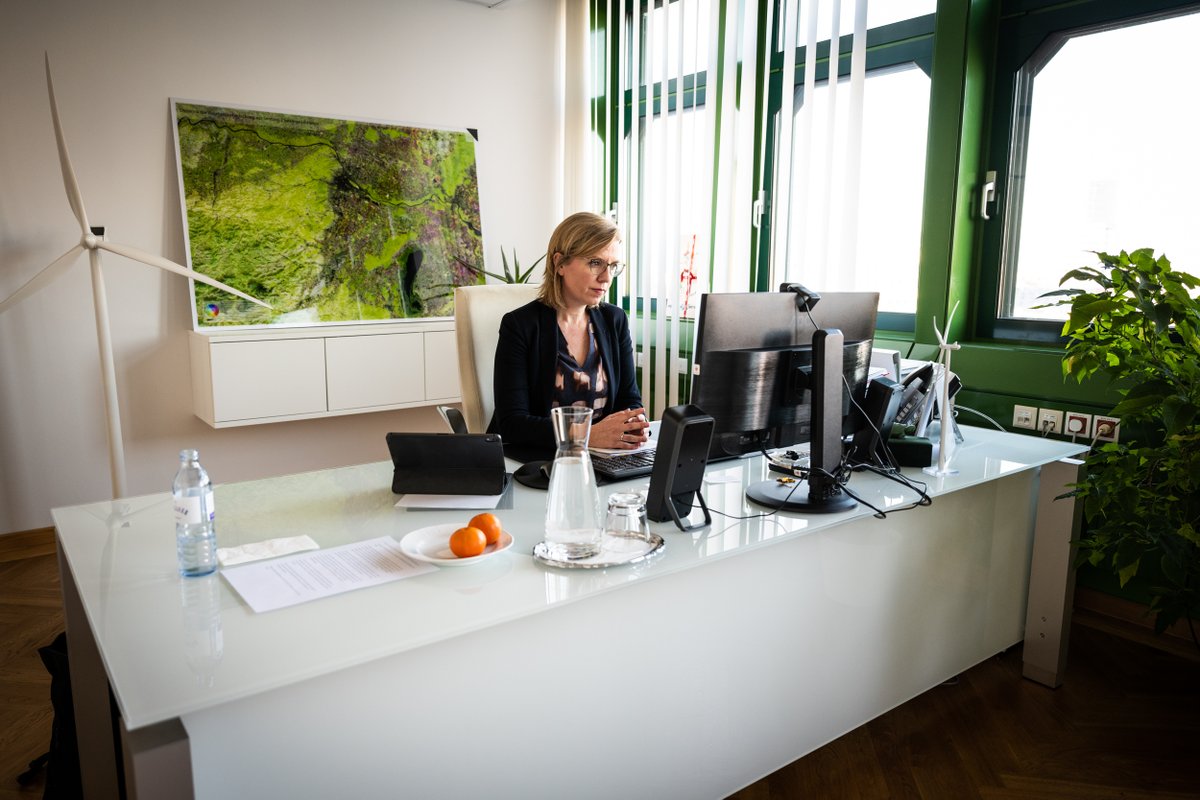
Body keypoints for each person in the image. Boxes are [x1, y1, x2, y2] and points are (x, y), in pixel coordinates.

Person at [489, 212, 651, 451]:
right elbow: (513, 424)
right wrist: (586, 435)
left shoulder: (614, 320)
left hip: (602, 455)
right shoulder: (520, 325)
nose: (606, 278)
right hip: (541, 459)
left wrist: (635, 423)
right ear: (560, 263)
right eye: (595, 263)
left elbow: (629, 399)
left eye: (613, 266)